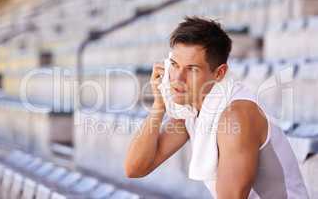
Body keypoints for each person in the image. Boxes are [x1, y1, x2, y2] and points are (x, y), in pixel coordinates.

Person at [124, 16, 308, 199]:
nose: (178, 79)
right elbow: (135, 168)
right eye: (174, 65)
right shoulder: (192, 110)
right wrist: (159, 105)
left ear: (219, 73)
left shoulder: (235, 115)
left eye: (192, 69)